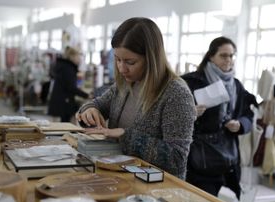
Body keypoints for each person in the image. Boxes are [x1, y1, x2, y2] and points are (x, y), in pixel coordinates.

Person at [76, 17, 196, 179]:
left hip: (158, 188)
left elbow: (177, 158)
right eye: (117, 60)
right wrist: (89, 110)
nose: (121, 68)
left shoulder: (176, 94)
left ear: (152, 58)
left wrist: (125, 136)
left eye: (130, 62)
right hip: (118, 177)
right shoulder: (125, 84)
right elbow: (97, 104)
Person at [181, 36, 257, 199]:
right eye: (223, 55)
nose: (229, 60)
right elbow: (171, 116)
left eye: (231, 56)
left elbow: (248, 115)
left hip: (226, 157)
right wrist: (190, 113)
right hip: (198, 160)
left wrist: (240, 124)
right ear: (211, 56)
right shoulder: (191, 82)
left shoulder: (236, 85)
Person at [48, 46, 89, 122]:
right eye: (78, 56)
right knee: (63, 128)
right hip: (63, 104)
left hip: (60, 102)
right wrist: (86, 95)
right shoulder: (68, 68)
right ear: (72, 56)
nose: (80, 59)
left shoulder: (65, 66)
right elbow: (71, 88)